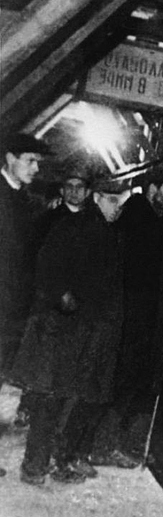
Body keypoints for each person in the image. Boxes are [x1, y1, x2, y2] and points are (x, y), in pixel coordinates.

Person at [8, 175, 130, 485]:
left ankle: (50, 462)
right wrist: (66, 300)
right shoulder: (75, 227)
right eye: (112, 200)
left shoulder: (104, 231)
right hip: (64, 332)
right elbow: (48, 269)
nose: (117, 207)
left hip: (84, 332)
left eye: (121, 202)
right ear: (97, 197)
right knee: (52, 401)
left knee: (65, 400)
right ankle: (35, 466)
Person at [89, 165, 163, 467]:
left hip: (142, 322)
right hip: (131, 322)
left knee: (130, 383)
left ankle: (107, 445)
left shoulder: (149, 219)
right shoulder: (139, 222)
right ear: (153, 189)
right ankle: (100, 447)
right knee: (122, 383)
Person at [0, 133, 52, 479]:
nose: (35, 168)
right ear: (10, 158)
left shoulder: (26, 202)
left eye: (38, 162)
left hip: (11, 310)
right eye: (30, 160)